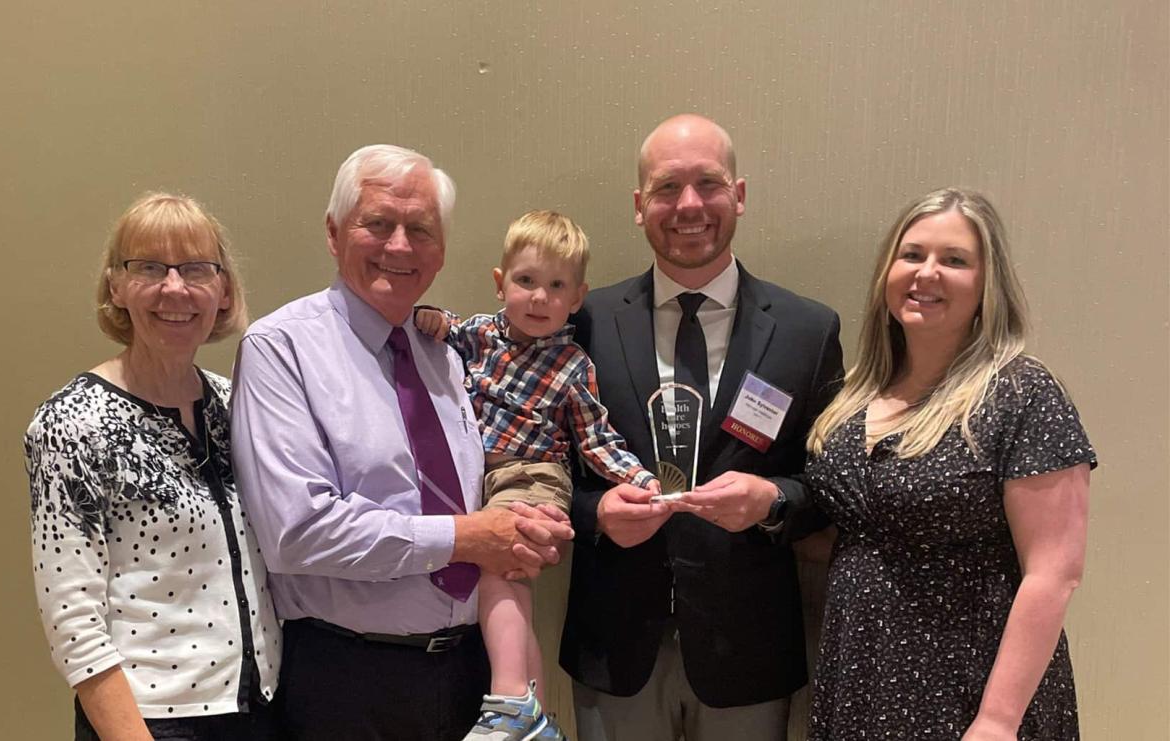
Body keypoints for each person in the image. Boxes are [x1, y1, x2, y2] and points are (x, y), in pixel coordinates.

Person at [230, 145, 575, 741]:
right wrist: (470, 537)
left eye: (420, 229)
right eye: (378, 224)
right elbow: (299, 532)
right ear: (334, 234)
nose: (400, 246)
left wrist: (528, 526)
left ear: (441, 250)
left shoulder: (444, 354)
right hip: (350, 683)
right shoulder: (279, 349)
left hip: (473, 677)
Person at [558, 113, 844, 741]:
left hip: (747, 648)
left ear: (738, 194)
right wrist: (597, 512)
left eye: (708, 184)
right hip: (615, 642)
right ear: (640, 206)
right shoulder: (585, 321)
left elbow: (831, 486)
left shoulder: (807, 330)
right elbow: (541, 467)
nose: (688, 205)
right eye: (666, 188)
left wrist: (773, 500)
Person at [804, 187, 1096, 740]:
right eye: (911, 254)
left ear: (988, 285)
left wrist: (997, 721)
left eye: (954, 260)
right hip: (860, 677)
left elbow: (1055, 572)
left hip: (969, 687)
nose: (926, 273)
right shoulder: (856, 397)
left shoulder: (1021, 394)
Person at [24, 193, 281, 740]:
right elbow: (74, 620)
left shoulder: (235, 404)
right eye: (148, 267)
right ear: (115, 286)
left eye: (195, 268)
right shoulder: (72, 422)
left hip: (261, 709)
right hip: (152, 720)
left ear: (224, 289)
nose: (174, 288)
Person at [415, 210, 659, 741]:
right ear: (501, 283)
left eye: (556, 286)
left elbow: (595, 437)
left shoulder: (572, 363)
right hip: (478, 476)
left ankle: (506, 699)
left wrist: (638, 478)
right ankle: (535, 716)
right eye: (526, 281)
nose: (540, 298)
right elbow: (441, 327)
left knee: (499, 565)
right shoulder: (478, 334)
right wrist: (433, 318)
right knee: (511, 577)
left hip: (535, 474)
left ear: (577, 298)